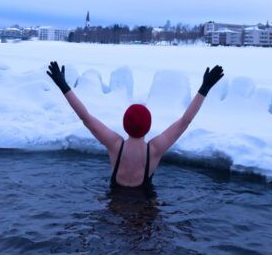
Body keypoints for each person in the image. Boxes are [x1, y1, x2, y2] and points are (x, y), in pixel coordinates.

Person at [46, 61, 224, 191]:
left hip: (115, 206)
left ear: (125, 124)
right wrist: (204, 88)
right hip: (145, 211)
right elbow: (185, 121)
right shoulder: (154, 149)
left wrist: (63, 85)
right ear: (148, 126)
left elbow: (85, 117)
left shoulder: (115, 145)